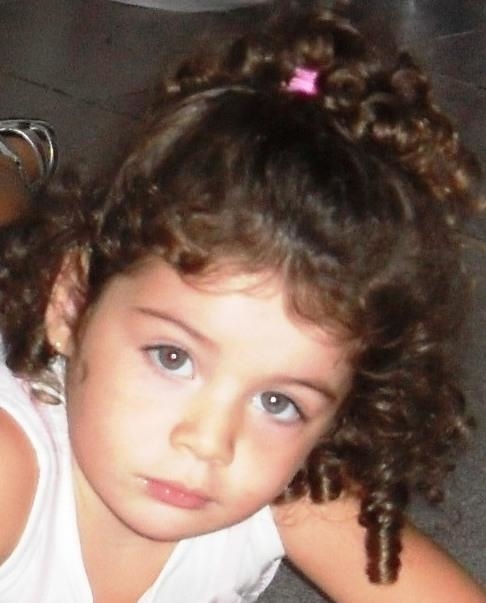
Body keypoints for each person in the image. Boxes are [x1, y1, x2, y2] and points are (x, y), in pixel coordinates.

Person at [0, 7, 485, 603]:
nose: (210, 441)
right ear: (73, 305)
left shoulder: (290, 490)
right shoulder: (10, 474)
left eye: (278, 403)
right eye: (172, 357)